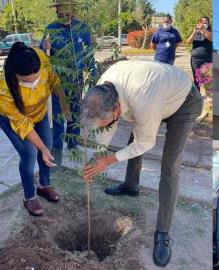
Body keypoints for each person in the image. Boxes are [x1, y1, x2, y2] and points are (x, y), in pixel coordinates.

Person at [80, 60, 203, 267]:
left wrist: (108, 161)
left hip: (184, 102)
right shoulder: (102, 89)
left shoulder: (144, 99)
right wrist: (97, 157)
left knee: (170, 165)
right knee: (132, 142)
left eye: (109, 120)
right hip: (158, 92)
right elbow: (105, 128)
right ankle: (131, 186)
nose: (108, 124)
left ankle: (163, 233)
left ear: (117, 109)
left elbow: (146, 143)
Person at [0, 42, 70, 216]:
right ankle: (29, 197)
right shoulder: (4, 88)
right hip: (14, 119)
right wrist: (41, 148)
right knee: (30, 153)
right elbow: (22, 124)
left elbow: (53, 80)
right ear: (15, 75)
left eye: (36, 78)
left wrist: (63, 100)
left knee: (48, 147)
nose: (33, 83)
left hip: (39, 113)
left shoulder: (38, 56)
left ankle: (44, 185)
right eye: (26, 81)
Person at [40, 0, 96, 164]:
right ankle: (57, 145)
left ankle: (72, 143)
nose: (64, 16)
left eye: (67, 13)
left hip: (76, 79)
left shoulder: (82, 28)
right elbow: (43, 53)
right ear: (56, 12)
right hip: (57, 79)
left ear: (73, 11)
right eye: (60, 14)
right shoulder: (51, 28)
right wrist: (44, 46)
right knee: (57, 113)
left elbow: (89, 53)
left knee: (75, 111)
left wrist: (93, 72)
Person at [186, 16, 213, 89]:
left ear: (208, 23)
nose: (203, 24)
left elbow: (211, 38)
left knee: (208, 80)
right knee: (197, 80)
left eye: (205, 22)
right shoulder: (196, 31)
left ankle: (209, 97)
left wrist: (203, 30)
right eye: (202, 22)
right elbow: (188, 42)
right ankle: (198, 97)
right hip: (195, 60)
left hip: (207, 59)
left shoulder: (210, 31)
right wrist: (194, 32)